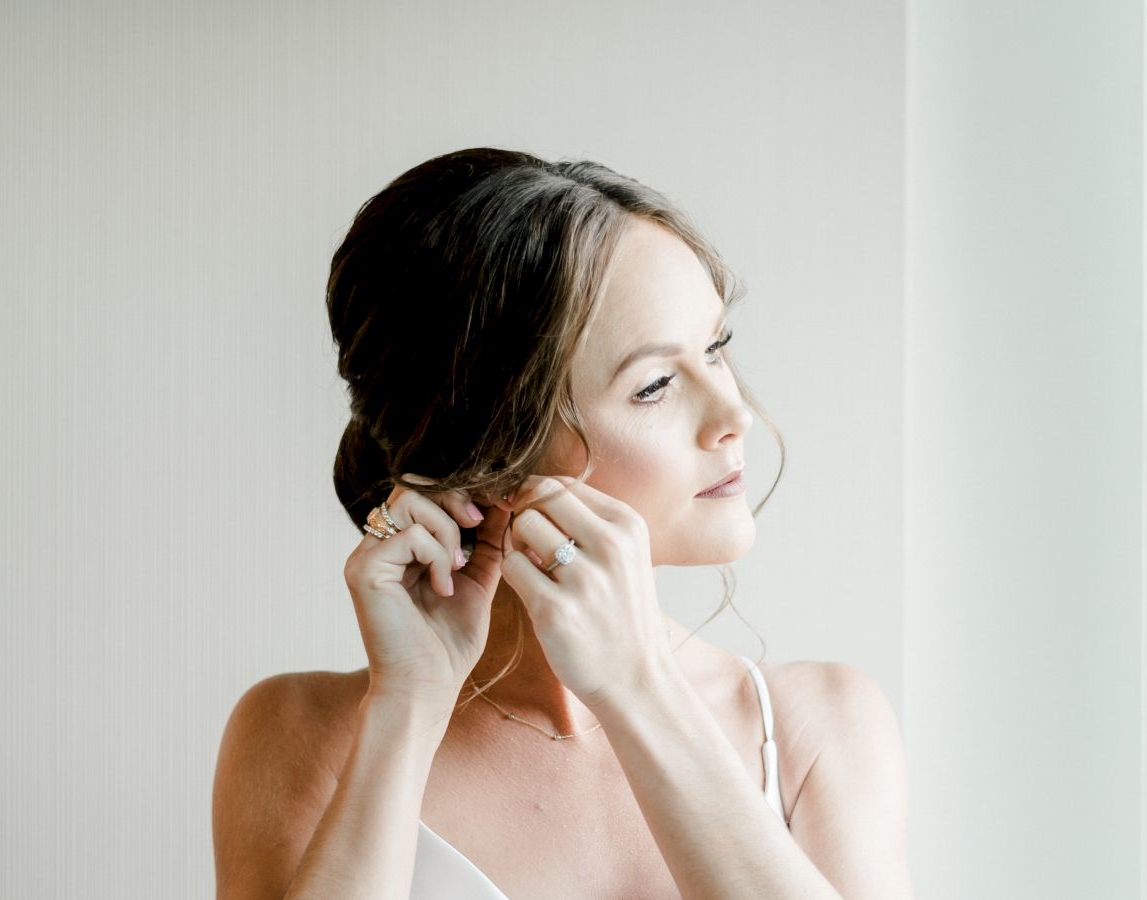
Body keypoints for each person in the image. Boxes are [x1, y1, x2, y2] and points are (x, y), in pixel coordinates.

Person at [212, 148, 913, 899]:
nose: (733, 413)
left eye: (717, 348)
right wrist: (408, 706)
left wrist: (637, 685)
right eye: (655, 386)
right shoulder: (299, 735)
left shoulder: (820, 726)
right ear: (490, 458)